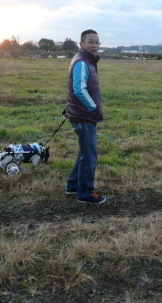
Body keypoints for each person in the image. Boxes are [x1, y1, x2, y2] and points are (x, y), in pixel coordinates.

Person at [64, 29, 106, 204]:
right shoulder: (82, 62)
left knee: (84, 153)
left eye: (97, 42)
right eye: (90, 42)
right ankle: (85, 194)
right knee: (89, 156)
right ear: (81, 44)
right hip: (84, 115)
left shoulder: (86, 60)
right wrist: (93, 108)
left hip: (81, 113)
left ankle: (72, 186)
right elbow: (79, 89)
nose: (94, 45)